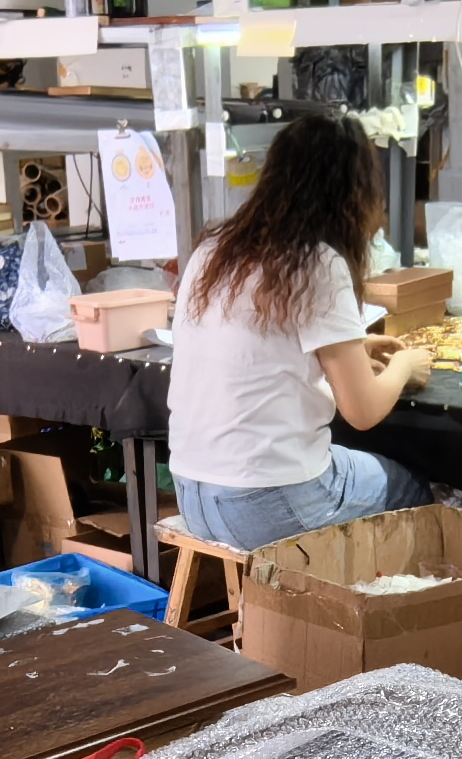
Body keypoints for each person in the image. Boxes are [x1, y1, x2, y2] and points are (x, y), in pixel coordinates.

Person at [164, 106, 431, 550]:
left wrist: (354, 346)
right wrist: (404, 365)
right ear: (353, 194)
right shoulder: (317, 264)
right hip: (266, 501)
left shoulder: (213, 252)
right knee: (410, 488)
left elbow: (261, 350)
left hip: (193, 493)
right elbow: (362, 411)